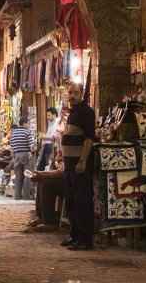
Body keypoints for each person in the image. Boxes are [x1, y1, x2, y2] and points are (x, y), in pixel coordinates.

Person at [61, 83, 96, 251]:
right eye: (70, 92)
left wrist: (82, 161)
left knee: (82, 202)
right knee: (71, 201)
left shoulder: (86, 113)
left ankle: (85, 239)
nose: (72, 95)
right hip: (69, 165)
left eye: (75, 93)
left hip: (79, 165)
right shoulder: (72, 113)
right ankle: (74, 236)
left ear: (82, 94)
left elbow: (89, 139)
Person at [10, 116, 33, 200]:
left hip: (16, 155)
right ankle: (26, 196)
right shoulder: (27, 132)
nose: (29, 125)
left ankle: (17, 195)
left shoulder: (14, 133)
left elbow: (11, 145)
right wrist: (32, 150)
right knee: (27, 175)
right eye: (28, 123)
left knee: (18, 176)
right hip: (25, 155)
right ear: (24, 123)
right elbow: (31, 146)